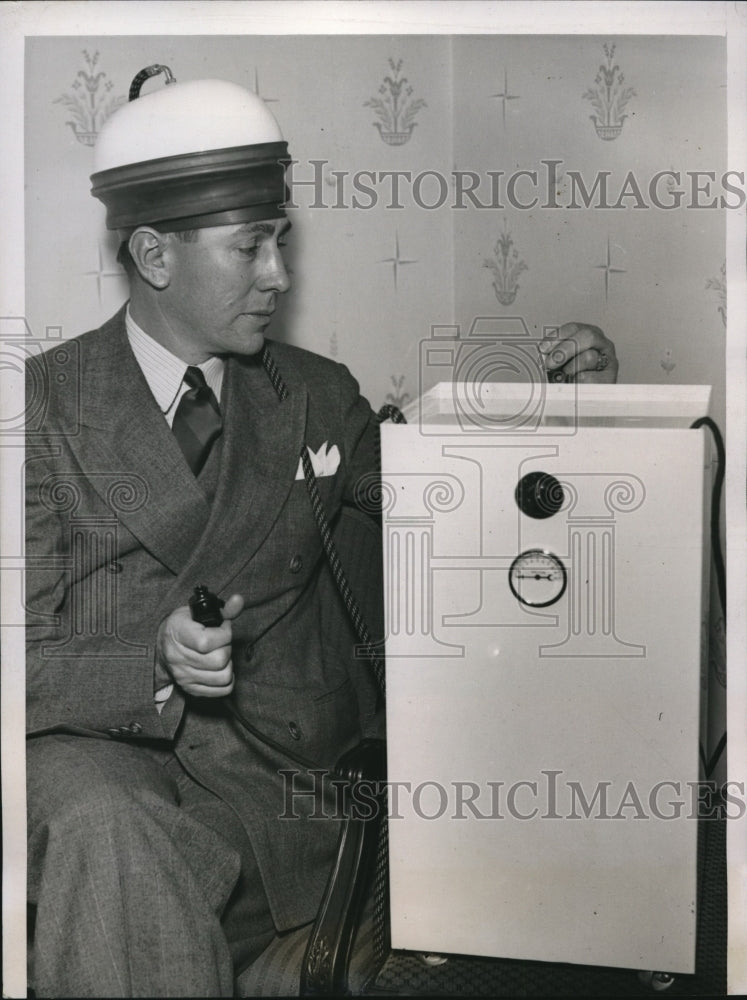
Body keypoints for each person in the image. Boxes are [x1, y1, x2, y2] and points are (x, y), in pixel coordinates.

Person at [25, 65, 619, 998]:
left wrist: (557, 402)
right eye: (250, 248)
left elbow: (453, 509)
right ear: (153, 255)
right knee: (106, 833)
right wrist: (153, 656)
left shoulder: (313, 395)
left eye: (281, 244)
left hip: (279, 791)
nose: (279, 276)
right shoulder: (42, 409)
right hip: (117, 777)